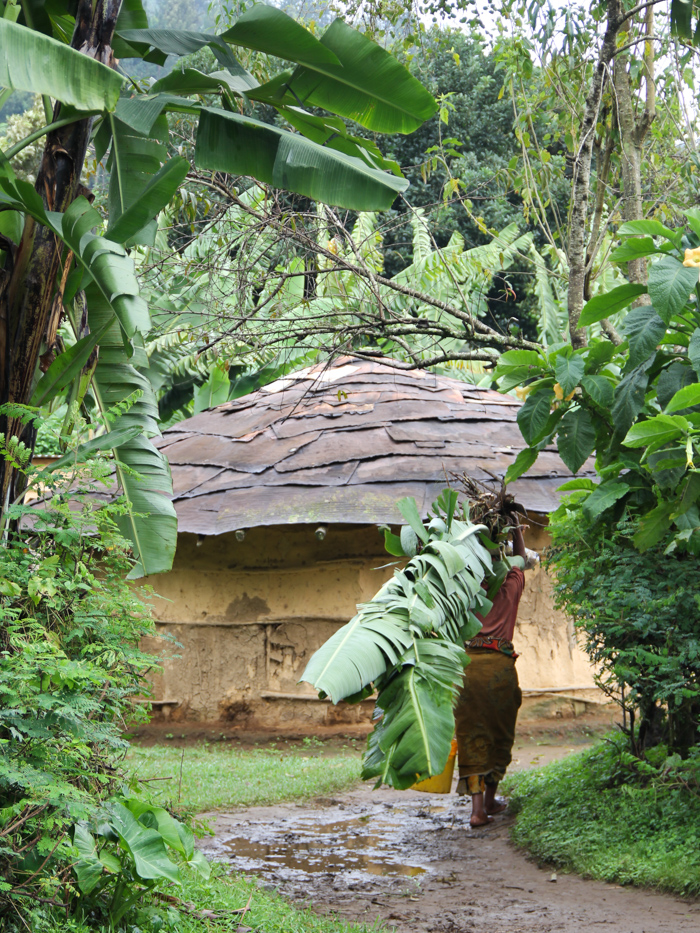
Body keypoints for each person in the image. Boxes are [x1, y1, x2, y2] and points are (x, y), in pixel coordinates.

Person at [454, 524, 527, 827]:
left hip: (466, 668)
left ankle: (476, 811)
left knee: (471, 736)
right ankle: (490, 801)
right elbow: (521, 558)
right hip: (499, 667)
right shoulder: (510, 584)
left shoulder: (466, 586)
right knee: (499, 735)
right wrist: (518, 532)